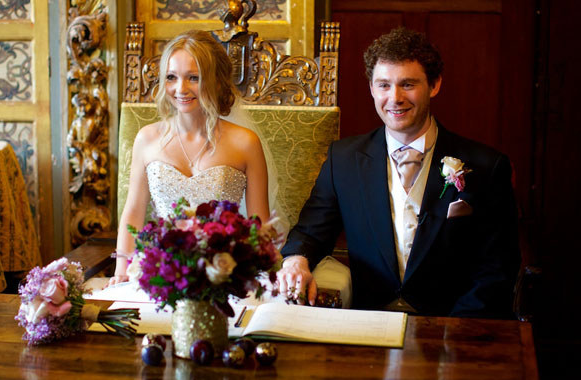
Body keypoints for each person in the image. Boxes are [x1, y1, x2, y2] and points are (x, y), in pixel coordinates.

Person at [278, 27, 520, 318]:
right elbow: (310, 232)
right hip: (368, 322)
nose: (395, 98)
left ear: (434, 85)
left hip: (452, 325)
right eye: (383, 85)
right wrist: (295, 261)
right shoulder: (343, 160)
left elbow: (497, 268)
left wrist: (454, 333)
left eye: (408, 84)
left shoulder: (485, 166)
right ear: (371, 88)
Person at [108, 30, 270, 285]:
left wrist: (250, 274)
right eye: (171, 77)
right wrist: (121, 272)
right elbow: (134, 213)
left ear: (216, 81)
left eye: (193, 77)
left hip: (224, 275)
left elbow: (260, 226)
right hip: (165, 274)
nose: (180, 89)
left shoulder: (245, 143)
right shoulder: (146, 139)